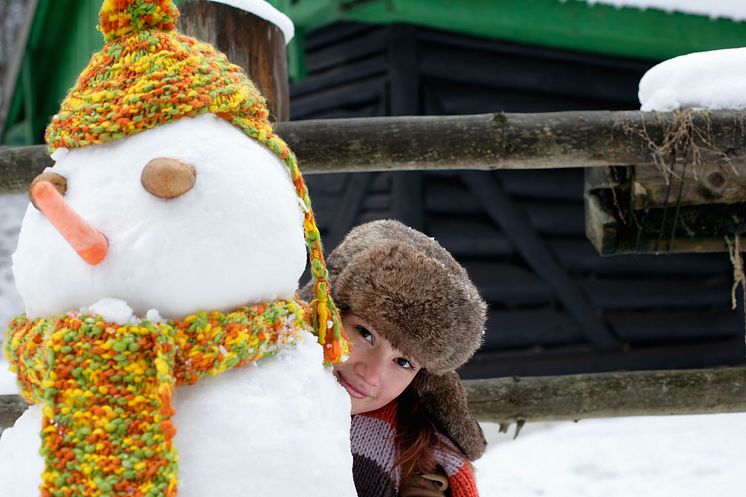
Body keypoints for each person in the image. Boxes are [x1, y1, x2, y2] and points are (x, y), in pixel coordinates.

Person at [303, 219, 487, 497]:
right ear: (328, 313)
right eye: (365, 334)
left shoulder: (424, 470)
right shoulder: (240, 393)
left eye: (403, 362)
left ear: (421, 378)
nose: (371, 373)